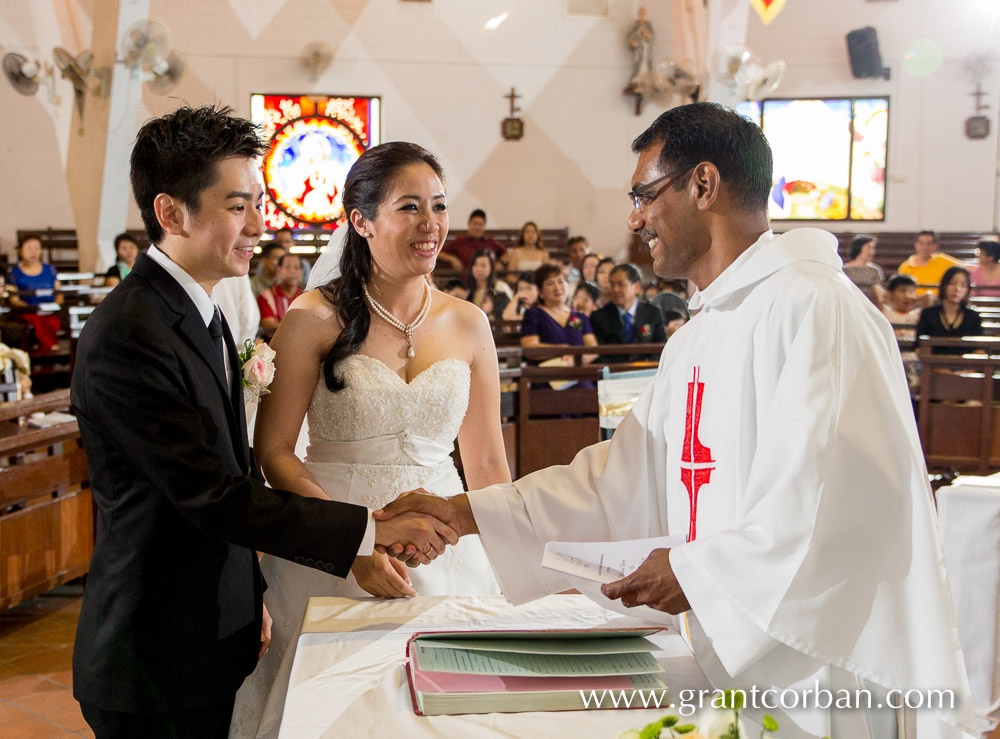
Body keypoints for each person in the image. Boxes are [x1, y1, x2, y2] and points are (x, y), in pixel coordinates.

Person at [379, 102, 972, 739]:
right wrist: (467, 512)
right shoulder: (699, 334)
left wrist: (694, 570)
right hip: (727, 655)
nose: (634, 218)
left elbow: (831, 506)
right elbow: (616, 481)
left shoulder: (814, 308)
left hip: (820, 673)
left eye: (644, 194)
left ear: (703, 184)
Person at [69, 105, 455, 739]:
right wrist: (366, 530)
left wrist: (251, 595)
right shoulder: (130, 333)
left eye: (258, 203)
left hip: (207, 627)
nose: (259, 224)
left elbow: (230, 468)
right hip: (153, 649)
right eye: (238, 206)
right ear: (171, 213)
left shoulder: (204, 315)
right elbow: (212, 496)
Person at [231, 142, 511, 739]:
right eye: (409, 207)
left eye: (438, 205)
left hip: (446, 546)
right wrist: (352, 540)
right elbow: (275, 449)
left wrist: (506, 552)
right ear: (360, 222)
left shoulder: (468, 322)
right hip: (335, 540)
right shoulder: (313, 317)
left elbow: (487, 461)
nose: (431, 224)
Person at [590, 263, 667, 357]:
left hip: (647, 369)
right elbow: (599, 354)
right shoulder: (599, 317)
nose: (615, 290)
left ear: (636, 287)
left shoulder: (652, 313)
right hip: (613, 369)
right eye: (612, 284)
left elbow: (660, 348)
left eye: (621, 284)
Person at [7, 233, 62, 351]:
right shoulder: (15, 273)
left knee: (52, 322)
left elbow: (59, 293)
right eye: (29, 248)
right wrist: (32, 308)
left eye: (37, 248)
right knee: (38, 320)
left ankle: (47, 355)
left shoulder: (50, 270)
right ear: (20, 251)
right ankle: (52, 346)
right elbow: (14, 299)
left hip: (50, 310)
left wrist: (54, 305)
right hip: (29, 312)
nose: (33, 252)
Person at [916, 265, 983, 354]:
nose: (957, 289)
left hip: (967, 366)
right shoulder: (928, 314)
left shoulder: (973, 316)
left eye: (963, 285)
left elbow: (980, 350)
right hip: (934, 365)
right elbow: (918, 347)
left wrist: (969, 368)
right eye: (952, 283)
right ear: (944, 285)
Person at [897, 229, 963, 296]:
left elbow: (966, 268)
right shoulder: (906, 267)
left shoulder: (944, 261)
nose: (925, 247)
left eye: (929, 244)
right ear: (916, 245)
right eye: (921, 243)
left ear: (936, 246)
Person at [438, 208, 506, 272]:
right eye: (475, 224)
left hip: (488, 281)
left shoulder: (490, 242)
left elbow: (507, 254)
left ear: (484, 226)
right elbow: (439, 253)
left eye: (481, 224)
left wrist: (501, 263)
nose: (477, 227)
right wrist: (452, 259)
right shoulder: (460, 242)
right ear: (469, 224)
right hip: (466, 280)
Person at [256, 253, 304, 339]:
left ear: (301, 272)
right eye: (287, 267)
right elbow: (268, 324)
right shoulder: (266, 296)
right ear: (278, 270)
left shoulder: (305, 296)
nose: (292, 271)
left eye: (296, 268)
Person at [842, 234, 884, 306]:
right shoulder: (845, 269)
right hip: (851, 303)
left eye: (873, 248)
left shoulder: (874, 269)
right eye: (868, 247)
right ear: (859, 248)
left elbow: (878, 289)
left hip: (871, 303)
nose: (871, 251)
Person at [466, 248, 512, 313]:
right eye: (475, 265)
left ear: (492, 268)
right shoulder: (466, 288)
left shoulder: (500, 287)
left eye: (483, 265)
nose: (478, 269)